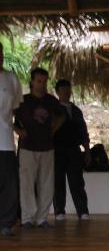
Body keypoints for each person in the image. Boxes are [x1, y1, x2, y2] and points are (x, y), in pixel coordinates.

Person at [14, 67, 64, 229]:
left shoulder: (51, 101)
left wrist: (53, 130)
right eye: (38, 81)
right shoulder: (22, 100)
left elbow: (62, 116)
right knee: (27, 184)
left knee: (47, 184)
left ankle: (42, 218)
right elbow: (7, 116)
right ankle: (27, 218)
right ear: (32, 82)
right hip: (27, 147)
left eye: (44, 81)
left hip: (47, 147)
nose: (41, 85)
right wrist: (18, 131)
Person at [53, 79, 91, 221]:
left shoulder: (76, 111)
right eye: (63, 90)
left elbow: (83, 132)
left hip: (74, 150)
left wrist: (87, 151)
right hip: (57, 149)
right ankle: (59, 211)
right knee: (58, 181)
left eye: (68, 90)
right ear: (58, 92)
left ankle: (82, 211)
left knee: (77, 182)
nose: (66, 93)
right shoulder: (53, 109)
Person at [0, 42, 23, 237]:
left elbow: (16, 108)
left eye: (0, 53)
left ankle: (6, 222)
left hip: (5, 140)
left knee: (9, 184)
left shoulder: (11, 78)